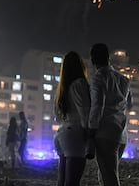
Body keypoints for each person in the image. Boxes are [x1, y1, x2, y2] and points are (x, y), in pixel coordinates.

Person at [88, 43, 131, 186]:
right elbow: (129, 105)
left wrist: (91, 130)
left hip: (105, 133)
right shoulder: (124, 79)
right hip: (121, 133)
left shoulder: (98, 78)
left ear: (93, 60)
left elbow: (97, 106)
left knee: (109, 177)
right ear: (108, 58)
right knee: (107, 173)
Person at [54, 51, 91, 186]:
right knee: (73, 182)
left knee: (62, 181)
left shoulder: (63, 88)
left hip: (63, 133)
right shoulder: (80, 84)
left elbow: (57, 115)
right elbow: (85, 112)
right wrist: (89, 133)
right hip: (75, 134)